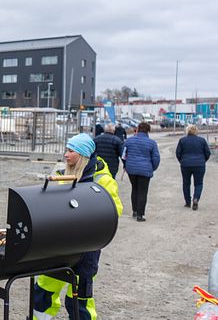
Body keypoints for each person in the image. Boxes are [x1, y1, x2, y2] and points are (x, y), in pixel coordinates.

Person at [32, 133, 123, 320]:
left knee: (80, 301)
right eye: (66, 149)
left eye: (70, 150)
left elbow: (115, 211)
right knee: (43, 293)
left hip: (86, 251)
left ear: (82, 154)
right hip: (58, 248)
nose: (65, 154)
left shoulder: (103, 180)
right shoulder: (60, 176)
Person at [123, 122, 160, 222]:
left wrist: (125, 165)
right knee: (142, 192)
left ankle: (134, 211)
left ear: (138, 129)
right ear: (148, 130)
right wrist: (152, 168)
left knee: (134, 189)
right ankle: (140, 214)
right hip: (145, 170)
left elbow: (123, 155)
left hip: (131, 170)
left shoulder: (128, 141)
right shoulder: (152, 143)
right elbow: (156, 158)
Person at [176, 124, 211, 210]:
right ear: (196, 131)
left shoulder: (182, 140)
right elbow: (208, 153)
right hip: (199, 164)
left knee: (186, 183)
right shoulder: (202, 141)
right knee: (198, 183)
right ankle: (196, 198)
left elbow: (178, 153)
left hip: (185, 165)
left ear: (187, 131)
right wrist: (203, 160)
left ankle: (187, 202)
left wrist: (182, 161)